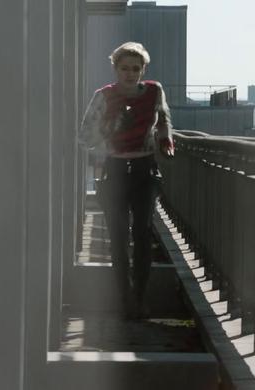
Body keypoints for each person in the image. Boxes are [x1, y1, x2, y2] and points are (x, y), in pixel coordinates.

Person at [78, 42, 175, 319]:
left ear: (143, 69)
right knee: (119, 237)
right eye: (124, 68)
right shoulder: (103, 96)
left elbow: (164, 120)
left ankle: (140, 296)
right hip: (115, 170)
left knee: (143, 234)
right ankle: (124, 299)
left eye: (135, 68)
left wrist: (166, 142)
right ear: (115, 69)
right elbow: (85, 137)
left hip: (145, 167)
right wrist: (112, 127)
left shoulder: (154, 91)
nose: (130, 74)